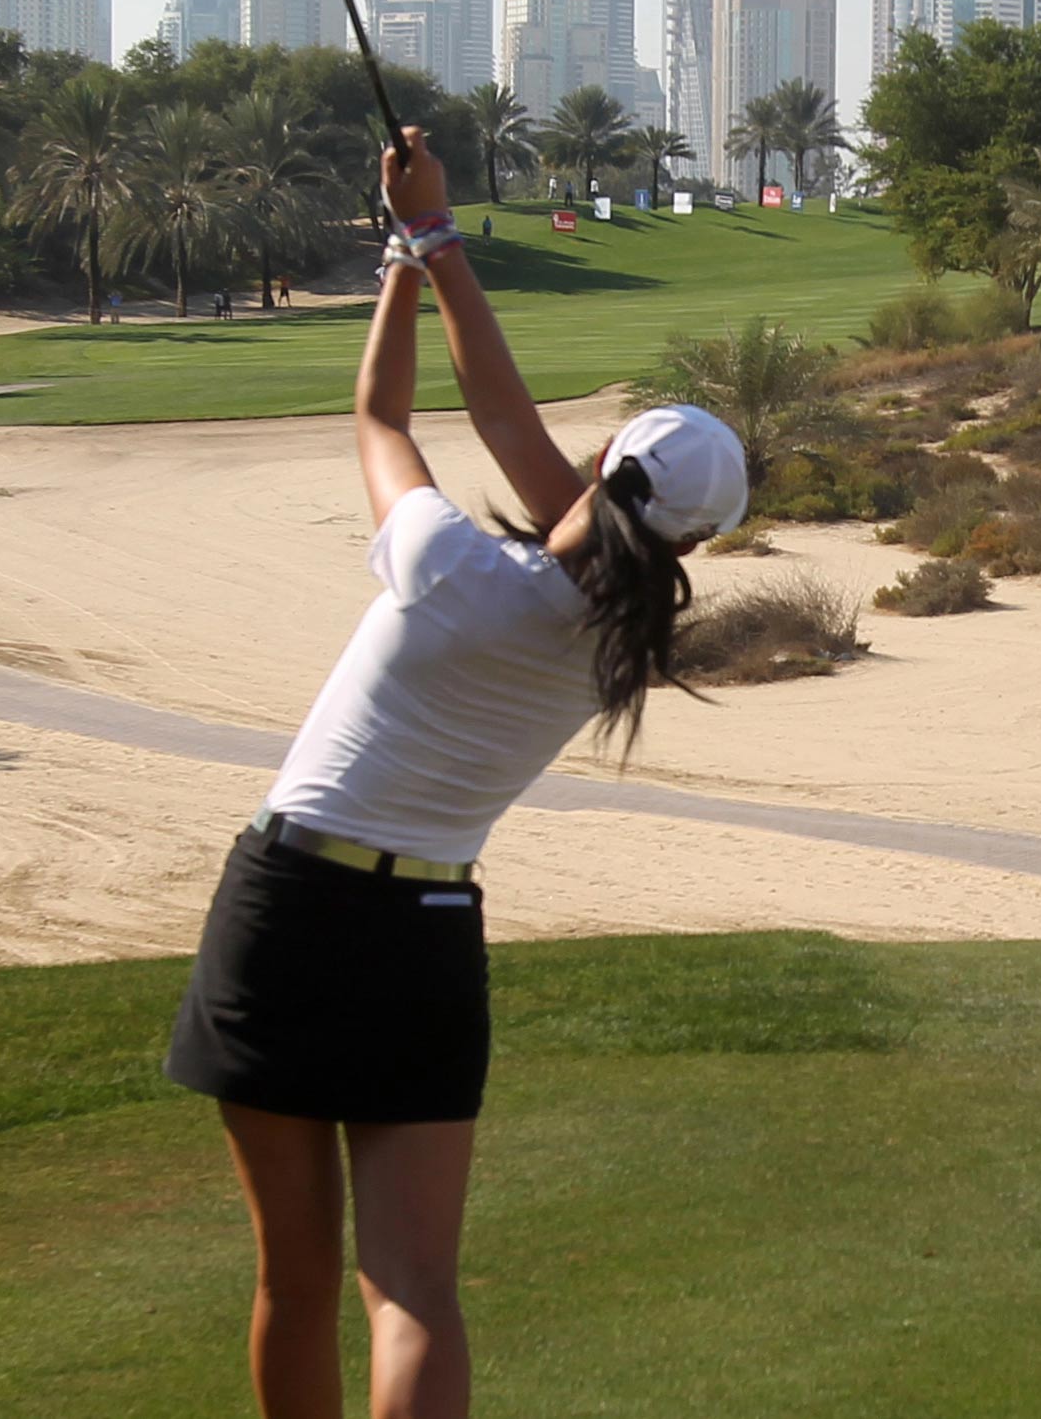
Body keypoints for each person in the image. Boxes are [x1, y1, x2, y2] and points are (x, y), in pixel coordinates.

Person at [164, 129, 748, 1419]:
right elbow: (513, 442)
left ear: (605, 467)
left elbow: (392, 415)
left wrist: (409, 253)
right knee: (414, 1284)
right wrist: (427, 244)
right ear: (694, 538)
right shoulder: (623, 641)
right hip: (425, 930)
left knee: (294, 1276)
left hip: (286, 904)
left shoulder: (445, 560)